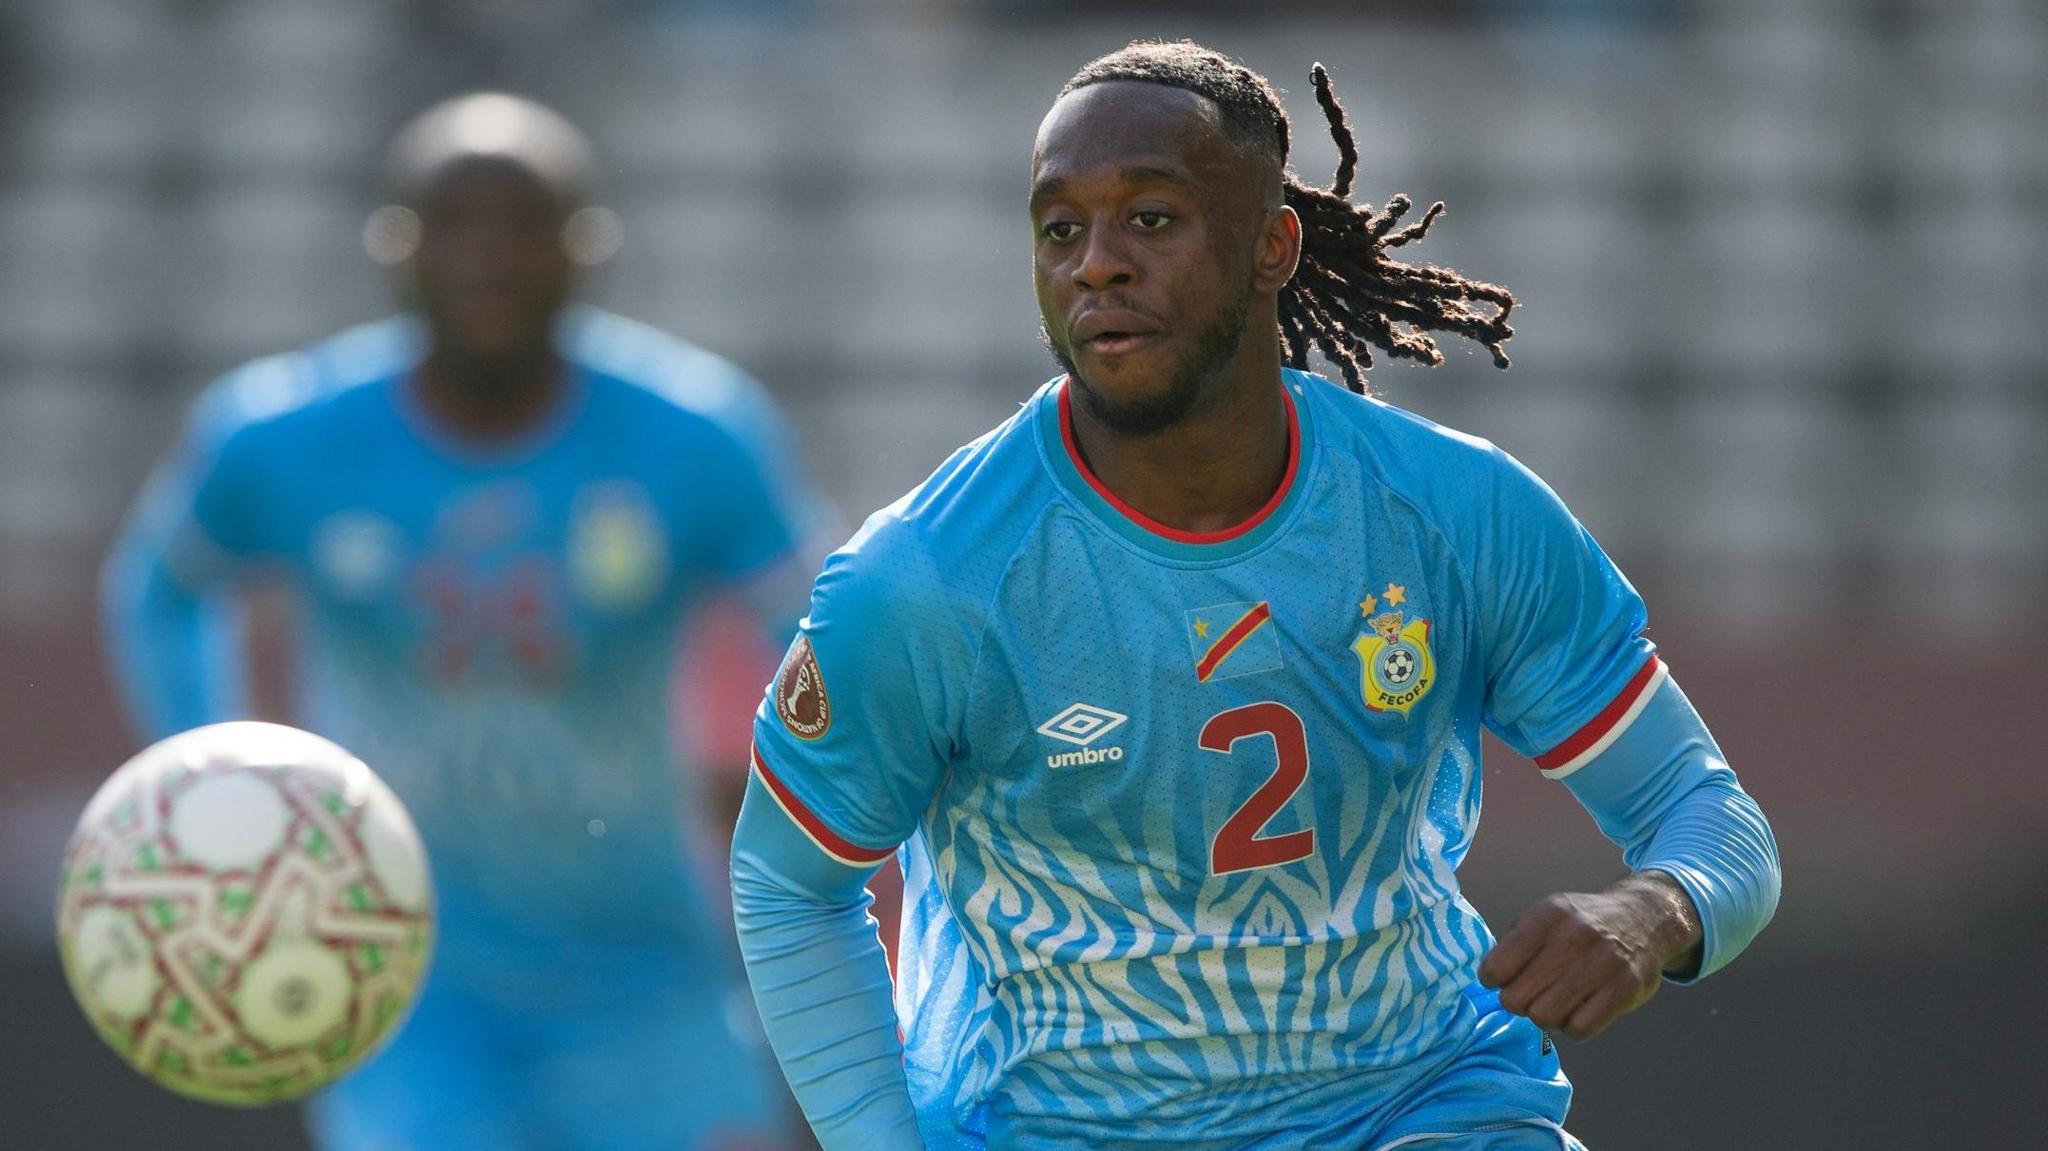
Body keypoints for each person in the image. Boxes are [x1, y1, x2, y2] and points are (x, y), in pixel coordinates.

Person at [730, 41, 1780, 1151]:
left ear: (1272, 243)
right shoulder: (926, 576)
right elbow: (787, 885)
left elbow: (1711, 817)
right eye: (1058, 228)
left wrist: (1654, 909)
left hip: (1417, 1106)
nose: (1095, 264)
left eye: (1150, 218)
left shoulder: (1456, 514)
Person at [103, 93, 814, 1150]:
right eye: (453, 224)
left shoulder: (696, 432)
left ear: (590, 248)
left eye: (524, 224)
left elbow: (820, 626)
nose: (487, 256)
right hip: (399, 970)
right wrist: (219, 775)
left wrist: (775, 762)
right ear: (392, 247)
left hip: (644, 972)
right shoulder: (281, 434)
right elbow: (160, 587)